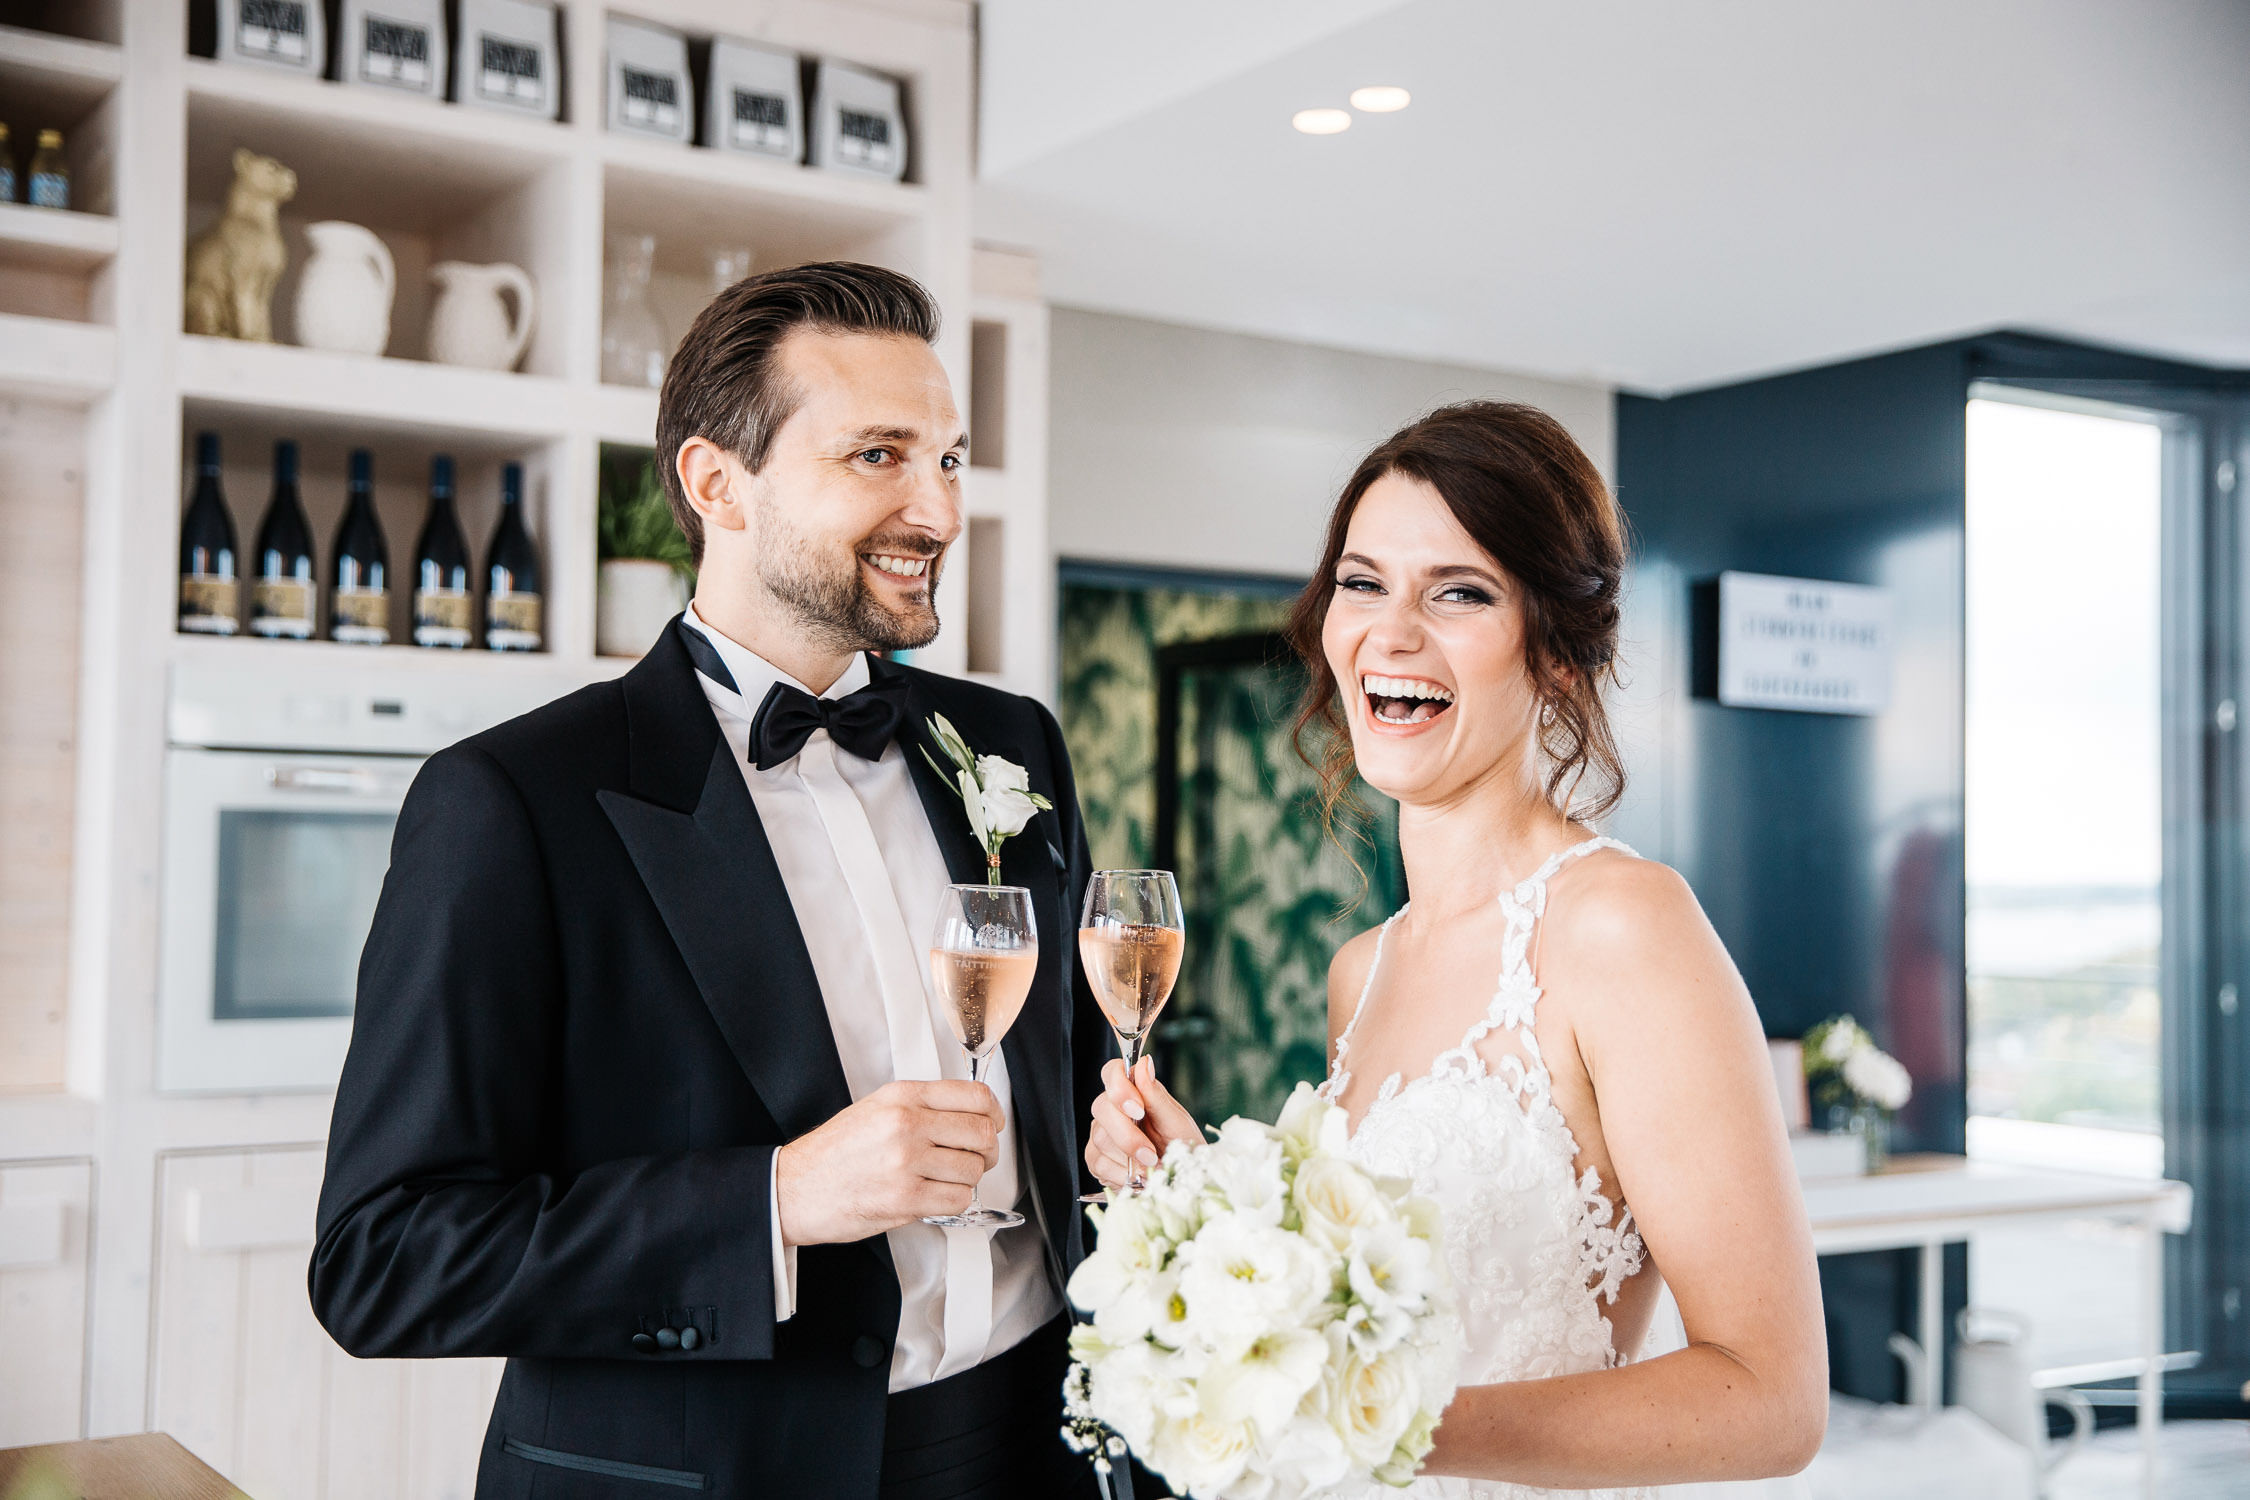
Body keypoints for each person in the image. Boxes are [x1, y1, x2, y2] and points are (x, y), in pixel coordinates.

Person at [312, 262, 1111, 1498]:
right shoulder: (512, 803)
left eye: (948, 460)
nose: (939, 510)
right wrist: (778, 1199)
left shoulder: (1012, 750)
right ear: (714, 483)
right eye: (879, 457)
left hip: (1030, 1455)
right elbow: (385, 1258)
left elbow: (1082, 1088)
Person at [1087, 401, 1828, 1496]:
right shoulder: (1363, 969)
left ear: (1563, 655)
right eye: (1362, 581)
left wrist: (1376, 1423)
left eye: (1461, 593)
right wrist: (1207, 1209)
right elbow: (1397, 1307)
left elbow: (1770, 1402)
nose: (1392, 632)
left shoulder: (1621, 927)